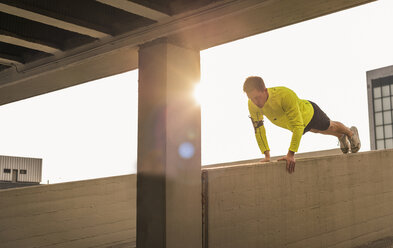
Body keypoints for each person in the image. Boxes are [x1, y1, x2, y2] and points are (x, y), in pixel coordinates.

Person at [243, 76, 361, 173]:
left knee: (329, 126)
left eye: (257, 97)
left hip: (309, 113)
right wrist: (266, 155)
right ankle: (340, 136)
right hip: (296, 125)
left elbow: (298, 126)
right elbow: (259, 129)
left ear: (264, 90)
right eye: (251, 99)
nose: (255, 102)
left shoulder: (284, 95)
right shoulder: (252, 105)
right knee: (317, 131)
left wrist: (291, 153)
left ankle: (350, 133)